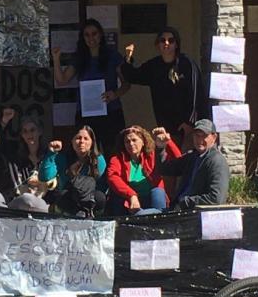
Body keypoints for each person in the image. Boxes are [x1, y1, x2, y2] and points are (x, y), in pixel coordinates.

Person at [120, 26, 209, 150]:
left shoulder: (187, 64)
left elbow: (196, 94)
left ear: (176, 44)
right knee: (171, 164)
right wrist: (128, 58)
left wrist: (189, 124)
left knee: (188, 163)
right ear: (158, 44)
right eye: (163, 40)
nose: (166, 43)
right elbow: (133, 76)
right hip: (166, 128)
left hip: (188, 128)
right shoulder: (154, 66)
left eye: (171, 40)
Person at [51, 18, 130, 155]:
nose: (91, 38)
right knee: (86, 153)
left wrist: (115, 94)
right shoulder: (80, 58)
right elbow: (62, 80)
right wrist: (56, 59)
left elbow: (126, 84)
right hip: (86, 113)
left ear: (100, 35)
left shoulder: (112, 56)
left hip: (110, 112)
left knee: (114, 152)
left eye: (94, 34)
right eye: (86, 35)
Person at [106, 125, 182, 215]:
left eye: (134, 140)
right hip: (130, 202)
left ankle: (159, 217)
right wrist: (131, 195)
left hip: (152, 199)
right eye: (127, 141)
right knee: (116, 197)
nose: (131, 144)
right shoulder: (117, 159)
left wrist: (167, 142)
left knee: (158, 191)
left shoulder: (152, 155)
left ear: (143, 142)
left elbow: (179, 161)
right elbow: (112, 177)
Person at [156, 119, 230, 210]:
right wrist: (161, 147)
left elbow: (216, 199)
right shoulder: (192, 157)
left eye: (204, 136)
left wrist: (185, 202)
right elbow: (164, 169)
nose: (199, 140)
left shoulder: (217, 161)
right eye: (197, 135)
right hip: (178, 211)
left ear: (214, 137)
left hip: (193, 216)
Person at [40, 125, 107, 218]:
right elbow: (45, 177)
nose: (82, 141)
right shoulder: (62, 158)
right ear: (72, 141)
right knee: (61, 195)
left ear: (92, 142)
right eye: (78, 138)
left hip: (90, 200)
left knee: (100, 197)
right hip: (68, 199)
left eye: (86, 138)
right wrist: (51, 154)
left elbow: (100, 185)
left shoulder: (99, 160)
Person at [4, 116, 57, 213]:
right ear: (22, 135)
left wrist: (40, 181)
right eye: (25, 131)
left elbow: (53, 184)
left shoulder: (47, 156)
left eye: (32, 130)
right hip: (22, 204)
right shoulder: (16, 159)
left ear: (40, 132)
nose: (29, 134)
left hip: (46, 205)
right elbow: (16, 187)